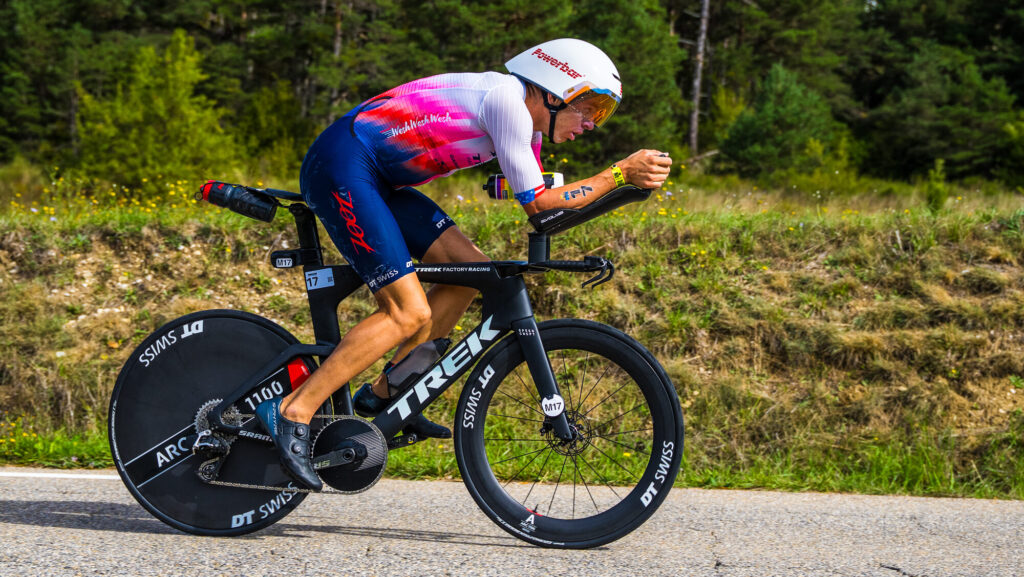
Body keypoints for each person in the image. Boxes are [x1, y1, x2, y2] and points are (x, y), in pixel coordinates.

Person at [254, 38, 673, 490]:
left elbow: (537, 204)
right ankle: (292, 411)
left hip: (379, 180)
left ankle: (389, 395)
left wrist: (620, 190)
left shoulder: (526, 125)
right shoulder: (508, 103)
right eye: (588, 108)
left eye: (600, 114)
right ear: (555, 91)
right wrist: (617, 174)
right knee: (406, 312)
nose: (591, 123)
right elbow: (541, 206)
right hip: (342, 166)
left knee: (469, 275)